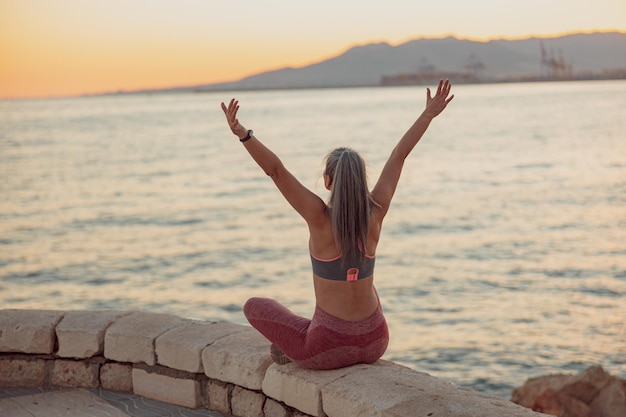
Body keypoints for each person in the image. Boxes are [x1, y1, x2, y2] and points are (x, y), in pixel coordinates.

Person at [221, 80, 454, 370]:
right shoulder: (377, 211)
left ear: (328, 181)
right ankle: (306, 335)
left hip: (326, 347)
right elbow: (399, 155)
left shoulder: (318, 217)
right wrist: (427, 115)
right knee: (362, 282)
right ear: (362, 181)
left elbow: (276, 171)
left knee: (254, 306)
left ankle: (294, 344)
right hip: (375, 342)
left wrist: (244, 134)